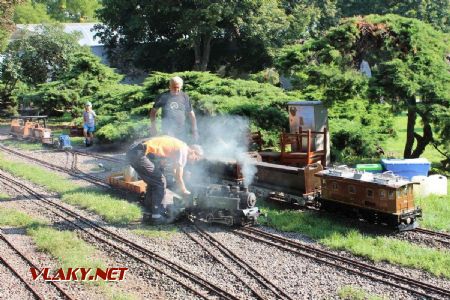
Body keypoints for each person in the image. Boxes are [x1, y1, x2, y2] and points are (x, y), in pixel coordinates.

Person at [126, 135, 203, 224]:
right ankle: (156, 217)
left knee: (153, 183)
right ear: (193, 152)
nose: (193, 162)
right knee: (160, 181)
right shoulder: (183, 150)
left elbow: (174, 170)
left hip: (134, 150)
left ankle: (148, 215)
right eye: (196, 159)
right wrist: (184, 190)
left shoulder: (179, 146)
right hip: (139, 152)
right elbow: (178, 175)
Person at [149, 76, 199, 142]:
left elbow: (191, 114)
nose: (176, 89)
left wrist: (194, 130)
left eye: (178, 87)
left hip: (181, 130)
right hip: (167, 130)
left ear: (181, 86)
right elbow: (153, 112)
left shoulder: (184, 97)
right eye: (174, 87)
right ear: (169, 86)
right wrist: (153, 127)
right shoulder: (163, 96)